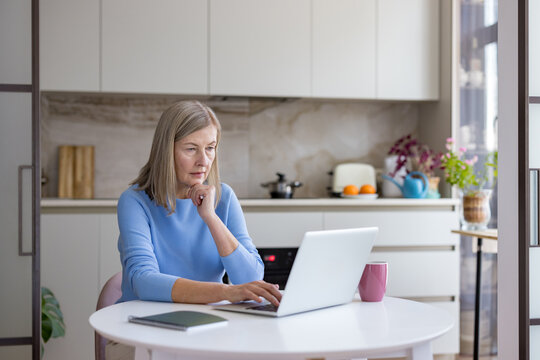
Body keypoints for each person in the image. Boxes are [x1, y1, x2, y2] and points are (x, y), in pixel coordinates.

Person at [116, 100, 282, 307]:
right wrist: (226, 292)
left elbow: (250, 277)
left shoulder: (224, 197)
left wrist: (211, 218)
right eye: (191, 149)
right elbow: (143, 281)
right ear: (166, 151)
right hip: (144, 320)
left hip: (207, 321)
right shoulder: (135, 201)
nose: (203, 161)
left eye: (210, 148)